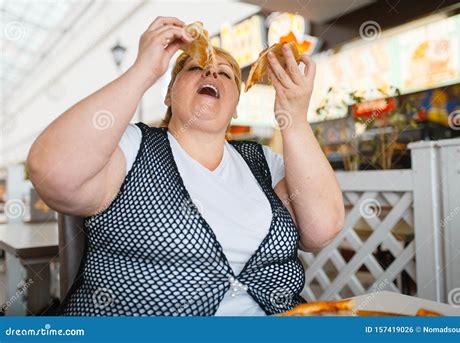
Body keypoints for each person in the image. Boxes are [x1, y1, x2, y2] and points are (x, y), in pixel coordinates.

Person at [27, 16, 344, 316]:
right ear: (168, 94)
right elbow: (53, 174)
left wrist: (295, 116)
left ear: (235, 106)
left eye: (226, 73)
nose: (211, 74)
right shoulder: (132, 145)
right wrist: (143, 71)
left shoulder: (262, 161)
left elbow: (321, 229)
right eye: (195, 67)